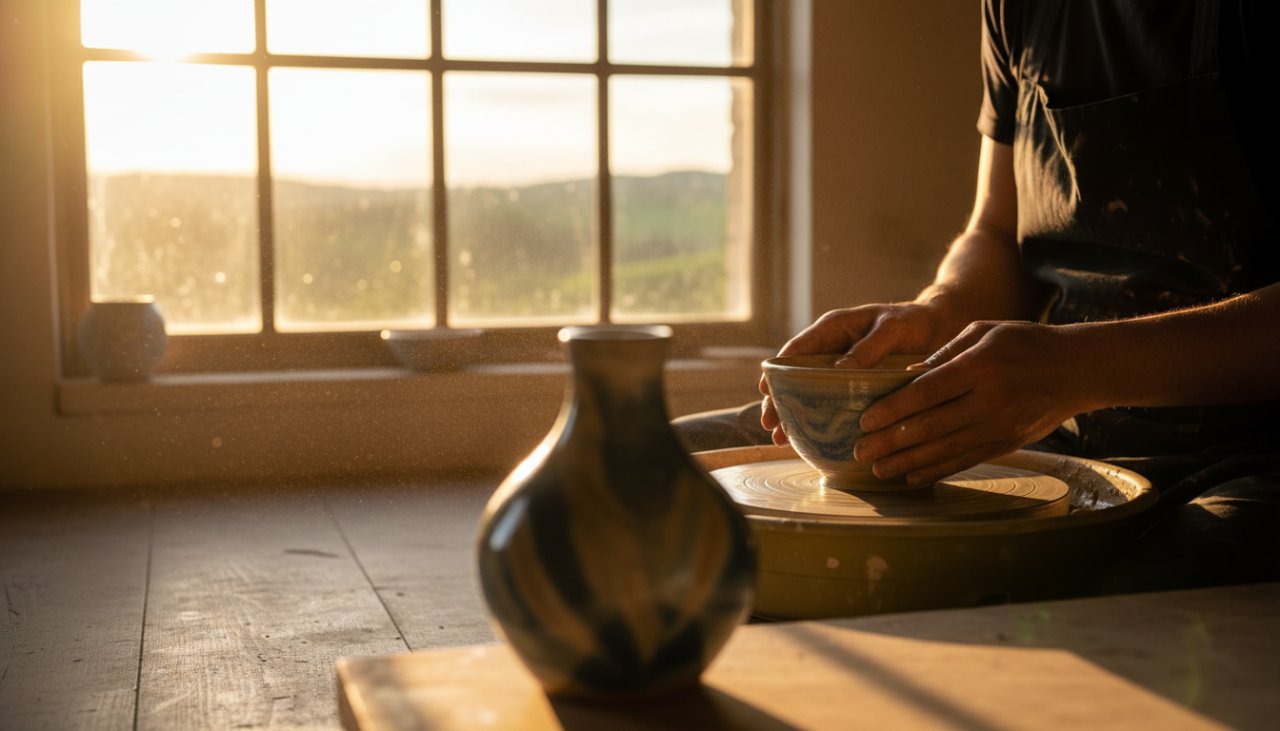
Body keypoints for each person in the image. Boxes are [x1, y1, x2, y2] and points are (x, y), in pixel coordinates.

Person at [677, 0, 1280, 591]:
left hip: (1251, 451)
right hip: (1067, 420)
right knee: (647, 465)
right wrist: (938, 314)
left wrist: (1078, 368)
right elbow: (995, 230)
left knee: (1144, 604)